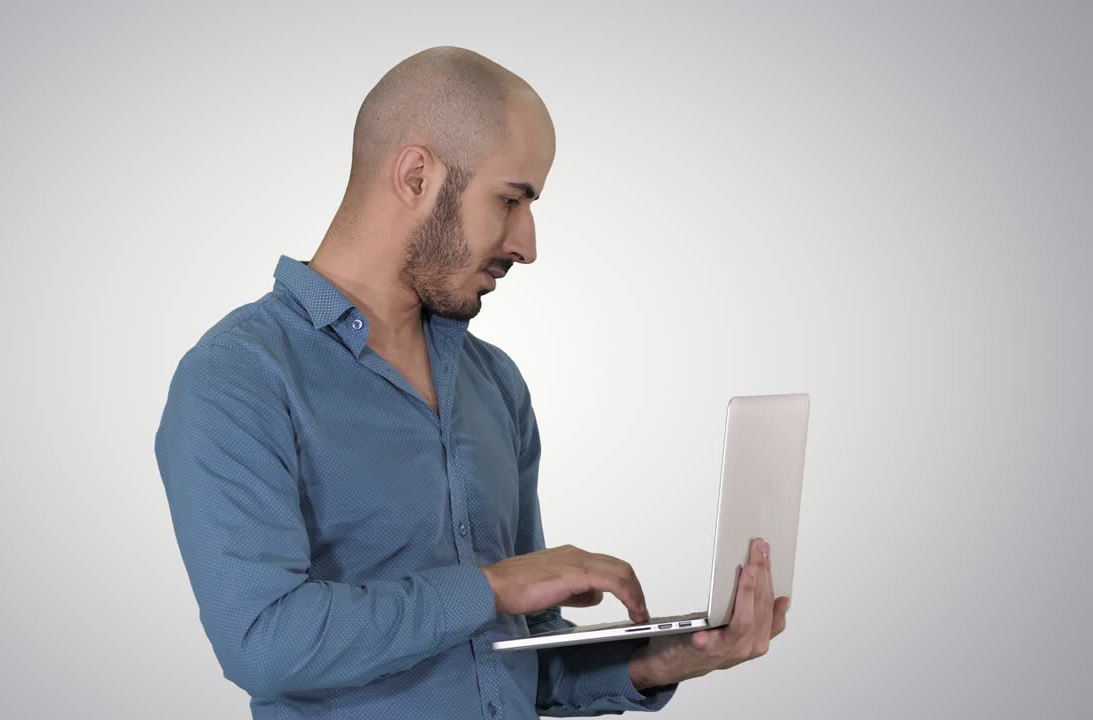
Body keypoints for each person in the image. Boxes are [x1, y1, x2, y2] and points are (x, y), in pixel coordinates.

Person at [154, 45, 790, 719]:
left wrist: (672, 657)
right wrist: (490, 588)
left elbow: (515, 652)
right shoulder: (237, 377)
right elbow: (263, 643)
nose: (527, 243)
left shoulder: (496, 385)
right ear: (415, 176)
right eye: (510, 199)